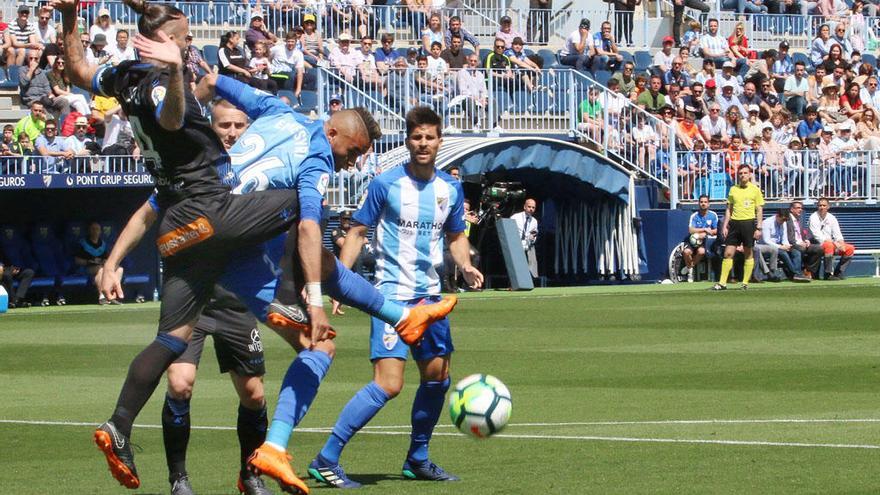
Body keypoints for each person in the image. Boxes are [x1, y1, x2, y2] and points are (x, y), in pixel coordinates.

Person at [53, 1, 452, 491]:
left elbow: (208, 83)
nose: (350, 164)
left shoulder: (258, 107)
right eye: (352, 153)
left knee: (174, 341)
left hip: (185, 228)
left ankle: (119, 424)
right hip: (225, 229)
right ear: (333, 133)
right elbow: (180, 110)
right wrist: (314, 298)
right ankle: (275, 441)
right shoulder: (310, 156)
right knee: (310, 245)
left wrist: (79, 18)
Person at [308, 107, 484, 489]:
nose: (423, 144)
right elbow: (357, 232)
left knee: (438, 378)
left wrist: (465, 265)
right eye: (416, 137)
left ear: (440, 140)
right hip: (390, 297)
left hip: (431, 299)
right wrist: (342, 280)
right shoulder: (385, 184)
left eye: (430, 137)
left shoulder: (449, 189)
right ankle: (326, 458)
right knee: (388, 384)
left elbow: (455, 236)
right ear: (407, 141)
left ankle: (418, 458)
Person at [714, 164, 764, 290]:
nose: (743, 175)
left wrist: (759, 228)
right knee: (728, 253)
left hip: (748, 223)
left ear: (750, 174)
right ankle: (722, 283)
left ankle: (745, 283)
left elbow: (759, 210)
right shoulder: (733, 189)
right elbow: (728, 209)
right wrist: (725, 226)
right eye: (740, 173)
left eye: (745, 173)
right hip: (735, 224)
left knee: (748, 253)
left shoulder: (755, 190)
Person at [74, 221, 120, 304]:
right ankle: (102, 296)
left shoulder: (103, 244)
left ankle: (112, 295)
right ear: (89, 230)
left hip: (101, 267)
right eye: (93, 229)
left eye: (97, 229)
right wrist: (89, 262)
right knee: (101, 270)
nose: (95, 231)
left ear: (100, 231)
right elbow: (77, 260)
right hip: (85, 269)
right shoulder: (82, 243)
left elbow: (108, 259)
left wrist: (104, 261)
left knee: (119, 269)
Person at [809, 197, 855, 279]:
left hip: (831, 243)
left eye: (824, 205)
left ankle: (838, 272)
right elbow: (817, 236)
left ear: (828, 207)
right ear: (817, 206)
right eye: (820, 205)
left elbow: (837, 233)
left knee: (850, 249)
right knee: (828, 245)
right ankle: (828, 273)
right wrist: (834, 243)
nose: (822, 207)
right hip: (816, 244)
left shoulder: (832, 218)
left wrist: (841, 243)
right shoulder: (813, 217)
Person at [683, 195, 717, 282]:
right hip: (693, 240)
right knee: (686, 252)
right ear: (698, 203)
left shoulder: (713, 215)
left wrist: (705, 234)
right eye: (701, 202)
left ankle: (689, 269)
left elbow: (717, 230)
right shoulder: (694, 216)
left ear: (708, 204)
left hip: (705, 241)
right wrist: (704, 229)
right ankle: (690, 270)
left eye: (705, 202)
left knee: (701, 252)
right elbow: (691, 230)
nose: (703, 204)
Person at [511, 198, 539, 279]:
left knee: (532, 257)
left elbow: (534, 234)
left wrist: (532, 238)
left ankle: (532, 278)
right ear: (524, 207)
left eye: (533, 207)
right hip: (516, 243)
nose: (531, 209)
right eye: (529, 207)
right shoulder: (515, 217)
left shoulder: (534, 221)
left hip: (527, 244)